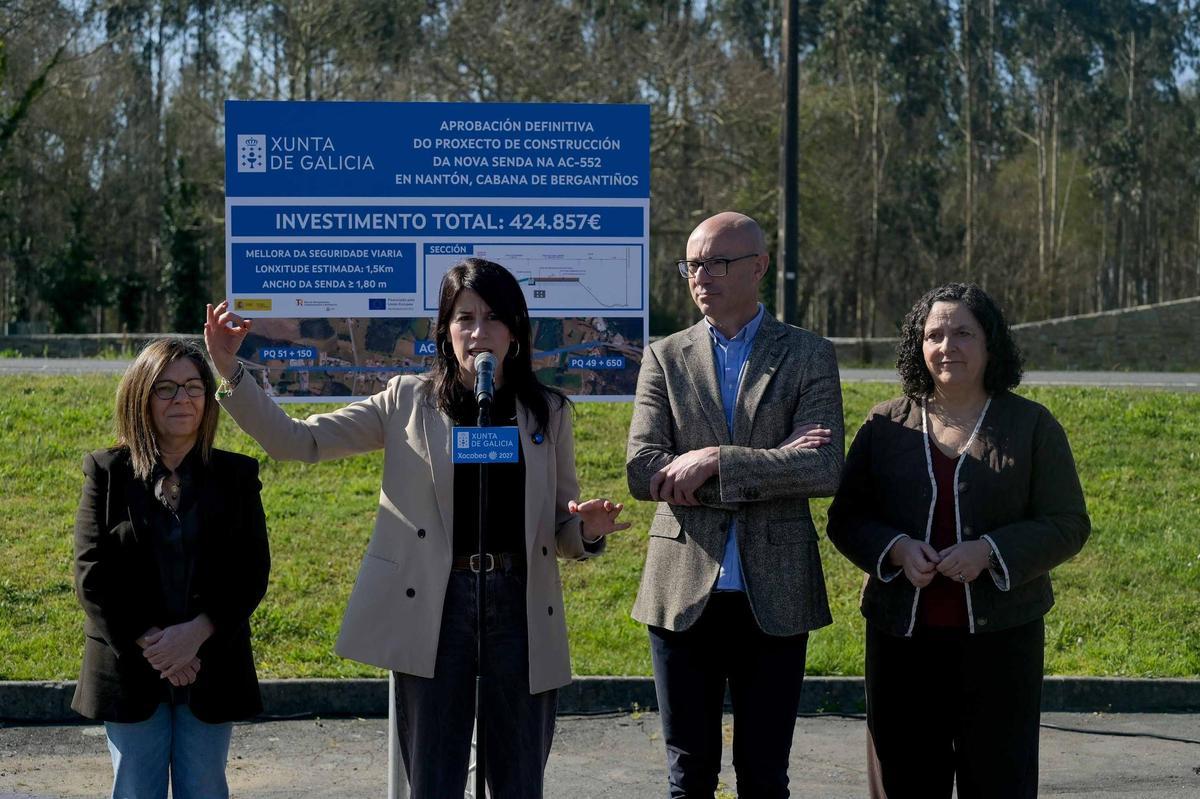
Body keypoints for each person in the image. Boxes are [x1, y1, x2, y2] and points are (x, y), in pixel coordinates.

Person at [204, 257, 629, 798]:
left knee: (520, 780)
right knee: (433, 778)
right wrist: (230, 372)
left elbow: (563, 534)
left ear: (516, 332)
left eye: (495, 318)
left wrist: (587, 530)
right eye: (465, 318)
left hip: (518, 608)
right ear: (445, 331)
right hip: (435, 603)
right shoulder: (406, 400)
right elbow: (297, 441)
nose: (480, 333)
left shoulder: (547, 413)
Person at [826, 283, 1091, 799]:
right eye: (935, 335)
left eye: (964, 333)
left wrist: (990, 552)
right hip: (902, 641)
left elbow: (1067, 522)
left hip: (1002, 644)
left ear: (990, 344)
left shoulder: (1031, 425)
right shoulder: (884, 425)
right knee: (905, 780)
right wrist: (897, 549)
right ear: (917, 347)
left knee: (999, 782)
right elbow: (847, 517)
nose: (948, 346)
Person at [626, 211, 844, 798]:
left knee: (765, 773)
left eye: (717, 263)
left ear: (759, 266)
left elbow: (823, 467)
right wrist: (774, 462)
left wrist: (715, 460)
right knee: (687, 774)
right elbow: (644, 469)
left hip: (774, 589)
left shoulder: (807, 353)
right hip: (681, 588)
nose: (702, 276)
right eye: (692, 265)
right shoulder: (664, 356)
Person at [72, 339, 270, 799]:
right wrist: (156, 646)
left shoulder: (237, 475)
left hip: (211, 665)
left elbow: (251, 571)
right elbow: (92, 575)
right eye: (165, 388)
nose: (182, 399)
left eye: (192, 386)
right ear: (141, 396)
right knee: (136, 789)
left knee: (204, 788)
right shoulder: (106, 472)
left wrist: (195, 634)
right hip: (130, 669)